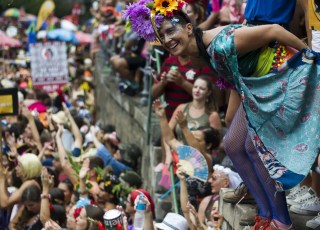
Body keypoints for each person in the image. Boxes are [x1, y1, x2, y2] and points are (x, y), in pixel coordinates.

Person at [124, 1, 317, 229]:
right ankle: (264, 215)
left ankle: (281, 221)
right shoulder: (198, 50)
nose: (166, 40)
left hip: (283, 76)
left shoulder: (222, 44)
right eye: (161, 35)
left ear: (188, 28)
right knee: (233, 144)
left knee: (254, 148)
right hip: (257, 86)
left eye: (170, 31)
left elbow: (274, 31)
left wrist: (311, 57)